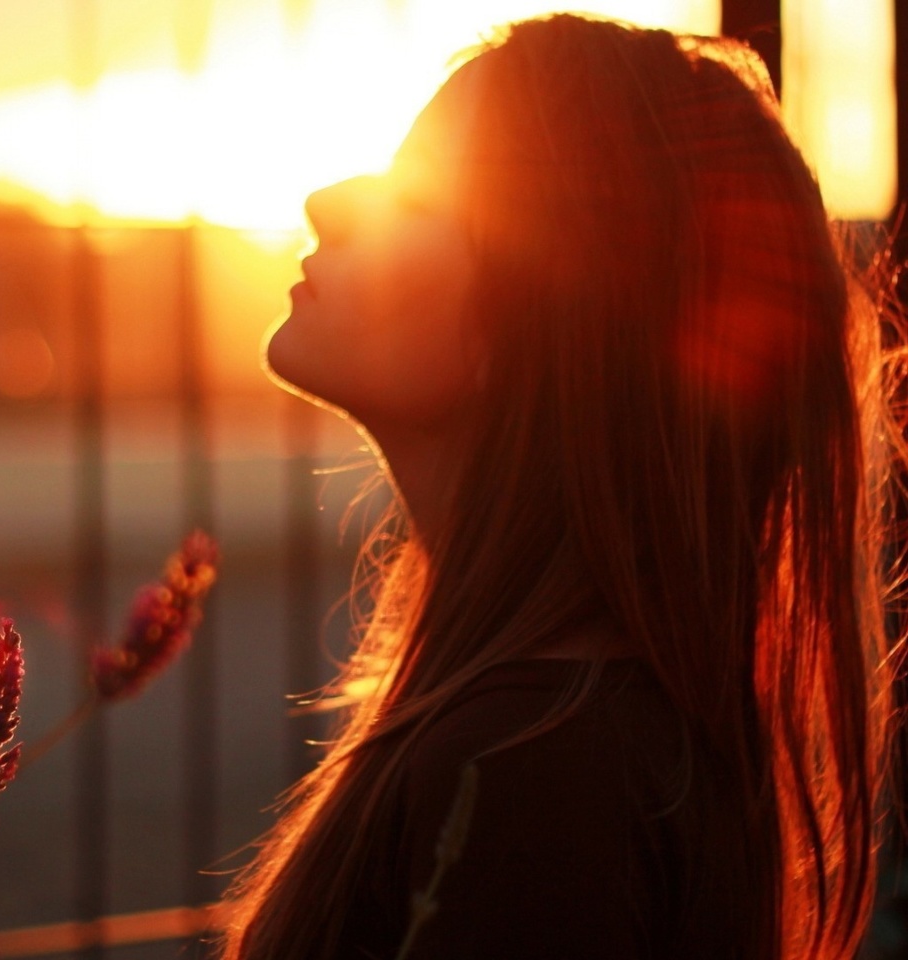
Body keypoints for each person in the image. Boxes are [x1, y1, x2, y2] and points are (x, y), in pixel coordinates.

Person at [218, 13, 905, 960]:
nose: (329, 200)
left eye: (420, 201)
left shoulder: (538, 772)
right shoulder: (557, 731)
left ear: (554, 317)